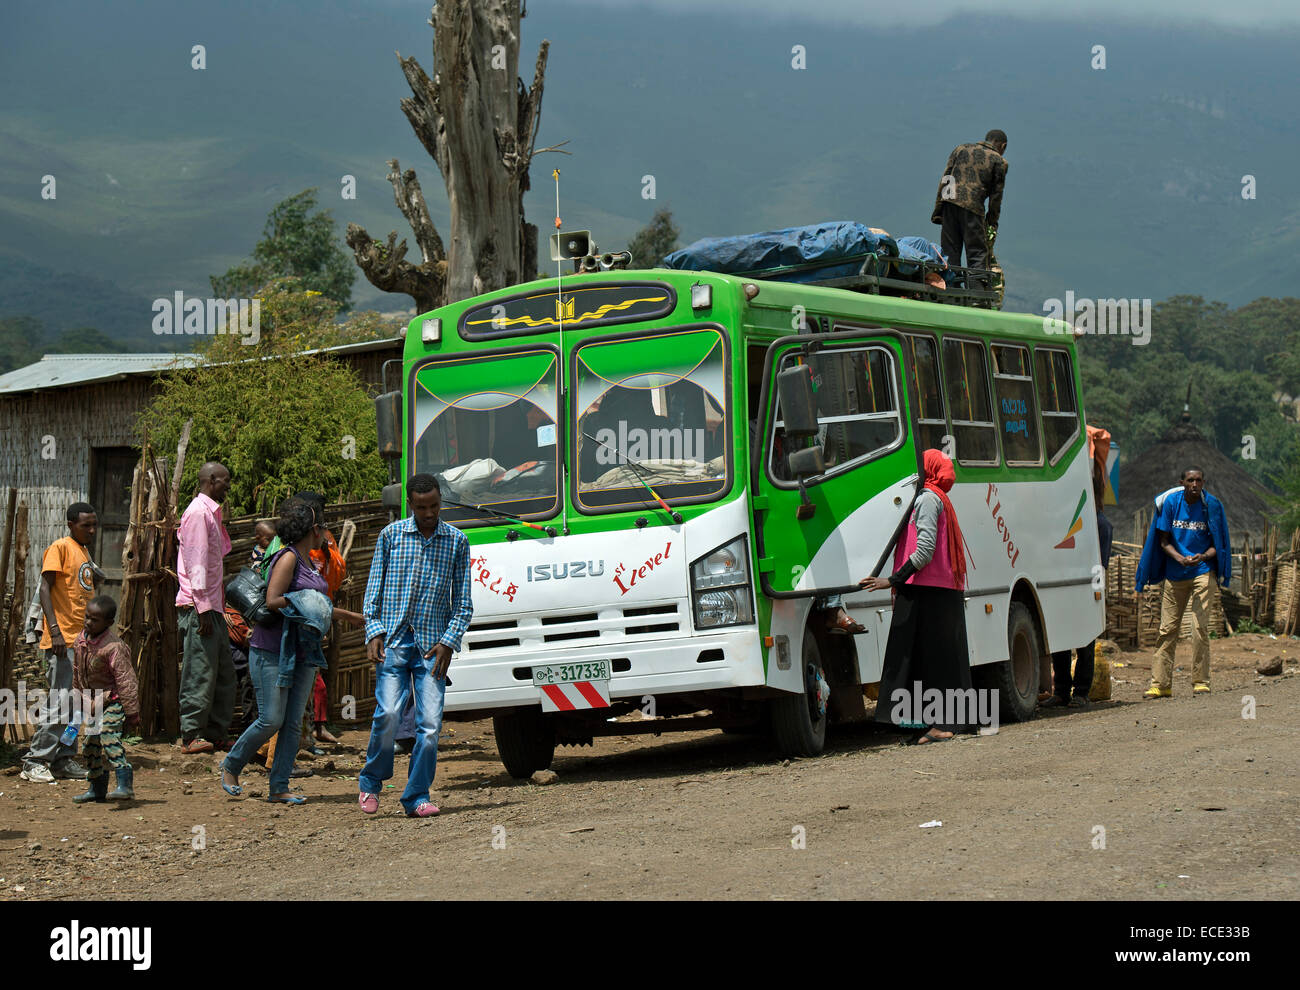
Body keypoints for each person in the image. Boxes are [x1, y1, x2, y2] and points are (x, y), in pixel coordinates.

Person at [219, 498, 362, 804]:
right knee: (271, 718)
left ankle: (279, 786)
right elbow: (273, 600)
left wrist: (347, 616)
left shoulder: (308, 559)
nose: (325, 531)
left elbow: (316, 606)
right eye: (322, 525)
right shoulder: (288, 558)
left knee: (293, 720)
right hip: (273, 649)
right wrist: (308, 599)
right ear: (314, 528)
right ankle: (231, 765)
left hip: (303, 650)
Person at [358, 474, 473, 818]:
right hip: (393, 640)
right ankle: (370, 783)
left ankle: (416, 796)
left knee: (430, 726)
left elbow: (463, 604)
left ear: (441, 502)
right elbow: (372, 590)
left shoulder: (456, 541)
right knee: (389, 714)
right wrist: (374, 631)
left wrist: (448, 643)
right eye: (422, 507)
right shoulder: (390, 537)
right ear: (410, 504)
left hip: (432, 646)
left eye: (434, 506)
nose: (428, 513)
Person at [860, 449, 973, 744]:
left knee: (917, 659)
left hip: (923, 590)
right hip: (941, 591)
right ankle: (936, 725)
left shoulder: (926, 500)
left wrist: (891, 580)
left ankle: (934, 726)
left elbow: (923, 551)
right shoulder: (940, 499)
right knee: (937, 660)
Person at [20, 502, 100, 783]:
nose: (91, 530)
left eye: (94, 525)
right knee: (59, 701)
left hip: (80, 641)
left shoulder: (84, 552)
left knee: (75, 705)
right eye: (85, 525)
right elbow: (44, 588)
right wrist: (53, 631)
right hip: (61, 639)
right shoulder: (60, 548)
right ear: (70, 524)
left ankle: (63, 759)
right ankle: (36, 760)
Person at [1135, 467, 1231, 697]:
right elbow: (1163, 540)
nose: (1195, 484)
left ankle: (1201, 680)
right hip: (1175, 573)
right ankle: (1161, 684)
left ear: (1203, 482)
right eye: (1190, 480)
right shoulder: (1171, 503)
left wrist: (1202, 557)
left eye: (1199, 480)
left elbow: (1217, 544)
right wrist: (1179, 558)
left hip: (1201, 570)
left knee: (1199, 627)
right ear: (1182, 482)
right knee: (1167, 629)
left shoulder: (1212, 506)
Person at [176, 462, 235, 754]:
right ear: (212, 480)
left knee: (223, 672)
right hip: (199, 606)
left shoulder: (211, 514)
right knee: (200, 672)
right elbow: (195, 563)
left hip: (213, 606)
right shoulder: (198, 514)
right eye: (225, 481)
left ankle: (215, 732)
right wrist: (202, 608)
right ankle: (191, 735)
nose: (228, 486)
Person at [1043, 471, 1113, 708]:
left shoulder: (1100, 524)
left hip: (1086, 588)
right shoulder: (1065, 521)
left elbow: (1100, 565)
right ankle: (1061, 691)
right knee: (1060, 640)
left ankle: (1081, 692)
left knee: (1085, 643)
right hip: (1063, 586)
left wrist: (1096, 595)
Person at [71, 596, 139, 803]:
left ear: (108, 623)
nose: (88, 622)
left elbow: (126, 680)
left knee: (108, 736)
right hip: (92, 703)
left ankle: (125, 784)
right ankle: (97, 788)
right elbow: (77, 673)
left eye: (95, 620)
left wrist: (132, 713)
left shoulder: (114, 647)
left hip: (113, 700)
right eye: (87, 617)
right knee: (90, 744)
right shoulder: (80, 641)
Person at [931, 129, 1008, 287]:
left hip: (949, 204)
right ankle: (976, 297)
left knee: (950, 251)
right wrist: (991, 224)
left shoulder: (961, 149)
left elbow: (946, 177)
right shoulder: (999, 161)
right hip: (973, 209)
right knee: (977, 254)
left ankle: (951, 290)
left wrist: (939, 209)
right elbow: (996, 197)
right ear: (1003, 146)